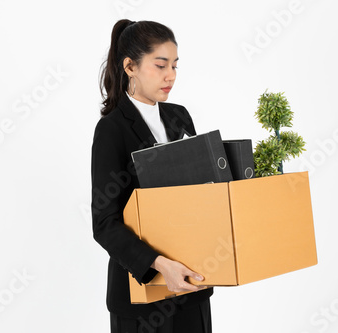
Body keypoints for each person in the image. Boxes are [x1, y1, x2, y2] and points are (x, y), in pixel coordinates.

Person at [91, 19, 213, 333]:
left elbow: (196, 194)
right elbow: (105, 223)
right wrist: (158, 264)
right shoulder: (112, 129)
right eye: (160, 66)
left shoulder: (179, 116)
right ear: (130, 66)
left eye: (174, 65)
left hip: (191, 288)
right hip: (141, 297)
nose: (170, 75)